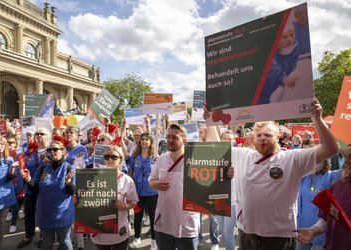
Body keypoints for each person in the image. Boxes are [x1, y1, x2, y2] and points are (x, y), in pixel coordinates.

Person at [204, 99, 338, 250]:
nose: (262, 138)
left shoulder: (292, 158)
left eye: (268, 135)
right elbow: (214, 149)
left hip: (278, 237)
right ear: (253, 137)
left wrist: (317, 120)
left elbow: (331, 149)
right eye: (259, 135)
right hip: (246, 233)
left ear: (278, 135)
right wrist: (211, 121)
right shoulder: (243, 155)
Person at [149, 124, 200, 250]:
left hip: (186, 222)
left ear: (184, 140)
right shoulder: (161, 160)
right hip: (163, 220)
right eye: (168, 137)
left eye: (175, 137)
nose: (170, 140)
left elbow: (213, 179)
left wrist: (227, 172)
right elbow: (151, 181)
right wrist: (155, 184)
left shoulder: (195, 160)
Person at [294, 145, 351, 250]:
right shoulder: (337, 185)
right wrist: (313, 231)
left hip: (321, 239)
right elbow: (328, 216)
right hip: (306, 231)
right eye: (346, 157)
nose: (346, 162)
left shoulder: (332, 177)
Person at [20, 141, 75, 250]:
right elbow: (35, 189)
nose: (52, 152)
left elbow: (73, 192)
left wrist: (68, 182)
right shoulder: (42, 169)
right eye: (50, 150)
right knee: (46, 243)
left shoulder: (69, 168)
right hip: (45, 213)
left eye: (55, 149)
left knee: (64, 242)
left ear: (63, 151)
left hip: (62, 214)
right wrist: (28, 179)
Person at [90, 146, 138, 250]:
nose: (109, 160)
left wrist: (124, 205)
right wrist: (77, 200)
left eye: (114, 157)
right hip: (99, 231)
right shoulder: (93, 177)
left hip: (119, 231)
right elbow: (86, 200)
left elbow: (133, 203)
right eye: (107, 157)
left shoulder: (127, 180)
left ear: (120, 159)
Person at [17, 128, 50, 249]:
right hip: (30, 186)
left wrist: (46, 162)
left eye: (42, 133)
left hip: (44, 188)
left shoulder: (52, 150)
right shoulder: (31, 150)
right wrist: (21, 165)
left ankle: (43, 237)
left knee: (42, 213)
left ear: (48, 136)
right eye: (37, 134)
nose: (39, 135)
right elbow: (24, 164)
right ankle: (28, 236)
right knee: (28, 212)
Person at [128, 132, 158, 250]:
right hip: (138, 192)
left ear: (151, 142)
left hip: (152, 193)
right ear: (139, 142)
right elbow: (130, 171)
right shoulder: (135, 156)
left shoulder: (155, 158)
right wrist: (131, 183)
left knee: (153, 217)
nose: (144, 141)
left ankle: (154, 240)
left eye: (146, 139)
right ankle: (137, 238)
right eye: (142, 139)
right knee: (137, 216)